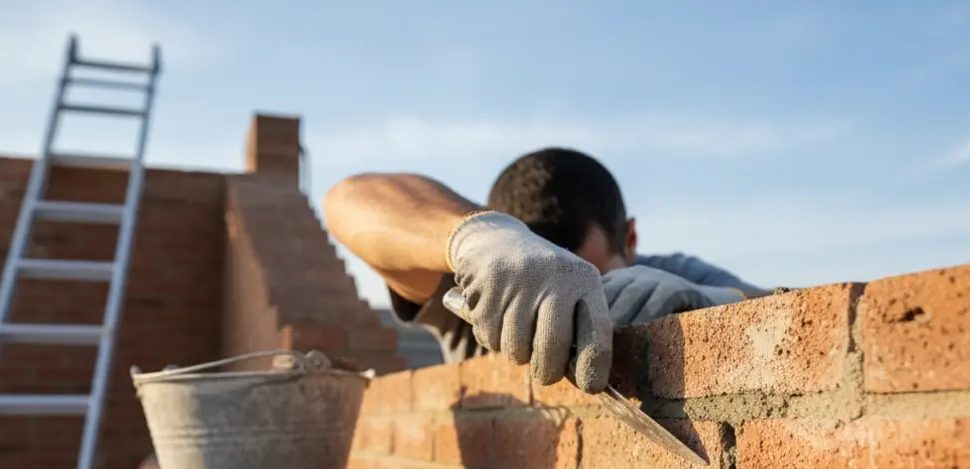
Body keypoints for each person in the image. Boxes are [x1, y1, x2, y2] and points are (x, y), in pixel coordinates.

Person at [322, 147, 770, 394]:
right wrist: (482, 240)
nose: (572, 306)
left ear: (630, 239)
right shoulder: (485, 281)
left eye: (594, 279)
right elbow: (347, 199)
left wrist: (712, 302)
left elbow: (797, 313)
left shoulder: (672, 274)